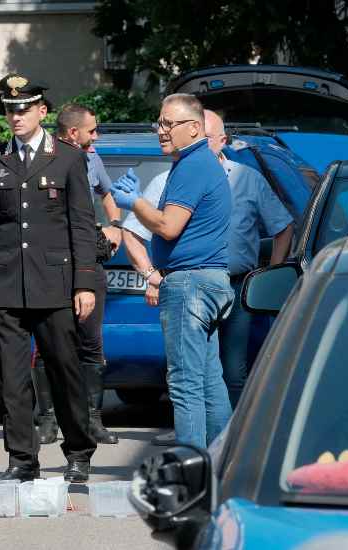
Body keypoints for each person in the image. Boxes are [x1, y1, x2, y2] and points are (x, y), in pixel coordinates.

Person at [123, 109, 294, 425]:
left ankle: (232, 442)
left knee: (229, 371)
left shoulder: (246, 179)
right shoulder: (167, 180)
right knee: (198, 377)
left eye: (207, 136)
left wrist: (270, 276)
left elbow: (283, 226)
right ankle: (212, 450)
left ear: (221, 141)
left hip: (239, 287)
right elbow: (132, 230)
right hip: (190, 282)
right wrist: (150, 274)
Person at [0, 74, 98, 483]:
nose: (16, 116)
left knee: (65, 372)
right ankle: (22, 458)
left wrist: (84, 283)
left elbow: (82, 226)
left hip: (56, 286)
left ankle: (78, 452)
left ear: (42, 111)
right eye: (9, 109)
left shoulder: (68, 158)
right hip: (7, 287)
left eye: (23, 108)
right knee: (12, 380)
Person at [111, 93, 234, 449]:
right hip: (206, 281)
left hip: (190, 283)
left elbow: (168, 226)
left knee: (184, 383)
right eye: (159, 123)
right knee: (209, 381)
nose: (161, 131)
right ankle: (218, 464)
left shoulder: (193, 166)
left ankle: (191, 470)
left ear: (194, 128)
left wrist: (134, 202)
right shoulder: (198, 163)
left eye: (169, 124)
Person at [31, 103, 122, 446]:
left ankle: (92, 420)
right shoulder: (42, 156)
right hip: (52, 264)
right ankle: (48, 420)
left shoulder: (91, 159)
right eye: (92, 130)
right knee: (46, 343)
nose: (95, 136)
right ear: (73, 133)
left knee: (91, 342)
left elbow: (108, 196)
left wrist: (116, 228)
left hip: (89, 261)